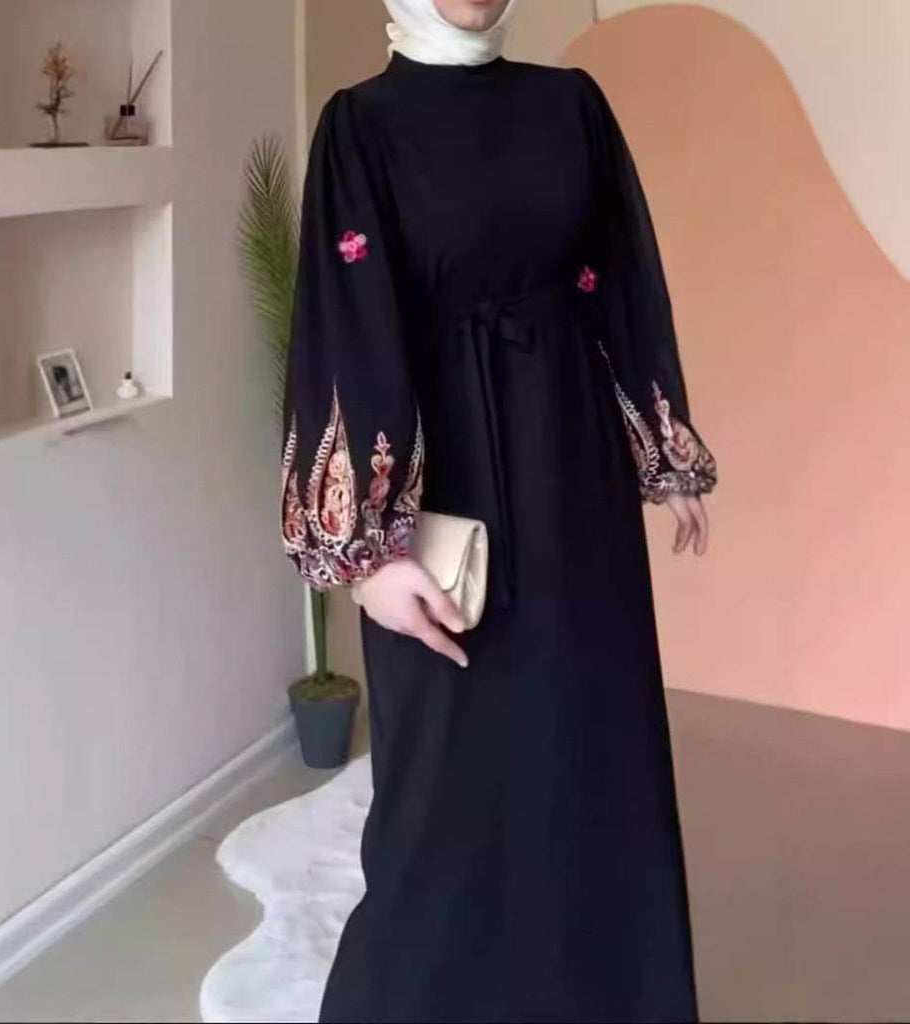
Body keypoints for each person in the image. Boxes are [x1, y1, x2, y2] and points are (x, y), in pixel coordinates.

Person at [280, 0, 717, 1019]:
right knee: (448, 783)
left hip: (575, 482)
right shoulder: (360, 126)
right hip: (438, 497)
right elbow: (343, 328)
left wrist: (663, 447)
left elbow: (620, 283)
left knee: (592, 751)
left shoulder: (572, 107)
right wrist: (367, 556)